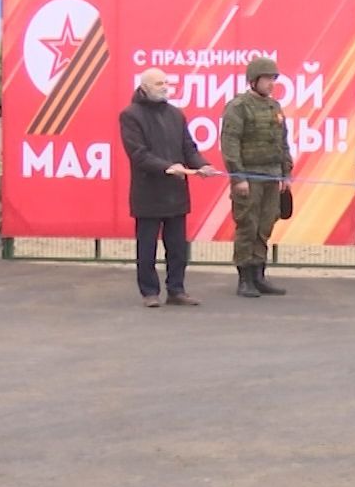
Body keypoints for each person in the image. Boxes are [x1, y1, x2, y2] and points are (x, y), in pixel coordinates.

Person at [118, 68, 217, 307]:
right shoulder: (130, 115)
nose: (164, 87)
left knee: (177, 248)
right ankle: (150, 292)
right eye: (158, 83)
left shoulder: (176, 114)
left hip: (176, 193)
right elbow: (138, 154)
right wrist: (166, 167)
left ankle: (176, 290)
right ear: (144, 87)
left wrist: (202, 166)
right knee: (147, 247)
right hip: (148, 193)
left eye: (166, 83)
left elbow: (188, 148)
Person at [221, 56, 293, 298]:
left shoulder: (275, 107)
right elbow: (230, 143)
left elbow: (283, 143)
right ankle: (244, 279)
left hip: (272, 176)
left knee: (265, 226)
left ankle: (259, 275)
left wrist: (286, 173)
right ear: (253, 81)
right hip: (249, 177)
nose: (271, 83)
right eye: (266, 79)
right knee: (247, 226)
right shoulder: (238, 106)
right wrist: (238, 176)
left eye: (273, 79)